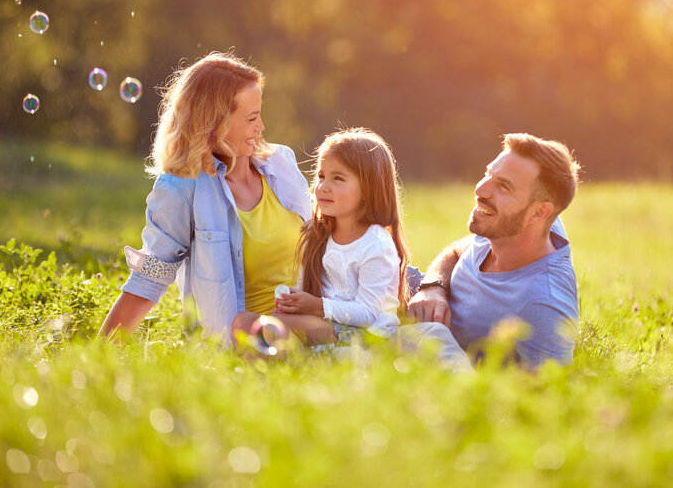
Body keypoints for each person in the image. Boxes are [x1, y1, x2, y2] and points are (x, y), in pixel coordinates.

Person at [98, 51, 312, 343]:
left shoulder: (281, 163)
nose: (261, 126)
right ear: (216, 123)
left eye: (260, 114)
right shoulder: (182, 187)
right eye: (251, 118)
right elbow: (151, 277)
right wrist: (99, 353)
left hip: (307, 329)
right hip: (240, 348)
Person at [405, 133, 581, 368]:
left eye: (503, 187)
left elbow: (550, 393)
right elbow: (457, 252)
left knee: (434, 337)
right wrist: (433, 287)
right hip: (427, 309)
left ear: (539, 213)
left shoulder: (544, 303)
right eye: (488, 174)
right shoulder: (506, 228)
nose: (480, 189)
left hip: (451, 370)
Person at [231, 128, 408, 347]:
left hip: (366, 335)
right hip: (326, 323)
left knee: (273, 326)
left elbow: (369, 313)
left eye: (338, 179)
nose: (323, 187)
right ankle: (267, 369)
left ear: (368, 189)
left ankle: (282, 369)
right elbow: (303, 287)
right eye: (322, 176)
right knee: (243, 322)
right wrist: (292, 301)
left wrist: (317, 306)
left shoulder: (376, 244)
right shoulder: (316, 235)